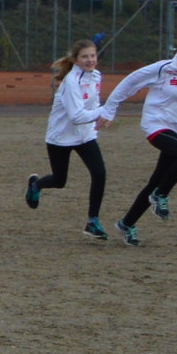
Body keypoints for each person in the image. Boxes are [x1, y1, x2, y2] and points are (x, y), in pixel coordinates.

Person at [105, 31, 177, 244]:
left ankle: (127, 224)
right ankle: (161, 195)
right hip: (157, 125)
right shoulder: (163, 68)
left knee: (156, 181)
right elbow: (130, 82)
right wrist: (109, 109)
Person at [27, 40, 114, 237]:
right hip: (61, 137)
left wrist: (101, 117)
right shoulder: (71, 82)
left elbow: (94, 104)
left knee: (99, 173)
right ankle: (36, 184)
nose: (90, 60)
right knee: (59, 181)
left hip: (85, 136)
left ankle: (93, 221)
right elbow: (76, 116)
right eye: (85, 56)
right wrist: (104, 112)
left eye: (93, 56)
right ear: (75, 60)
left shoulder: (96, 76)